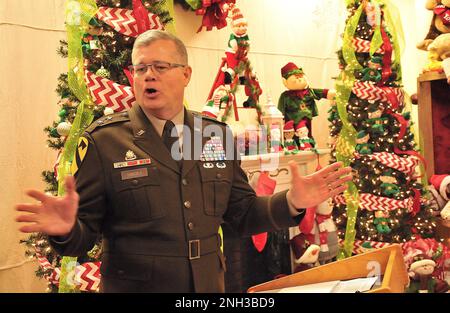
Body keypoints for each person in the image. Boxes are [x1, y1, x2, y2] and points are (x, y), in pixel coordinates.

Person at [15, 30, 352, 293]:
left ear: (186, 73)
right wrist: (65, 230)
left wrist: (292, 201)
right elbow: (83, 239)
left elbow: (240, 215)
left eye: (160, 67)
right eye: (141, 68)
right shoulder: (105, 141)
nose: (149, 75)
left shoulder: (213, 135)